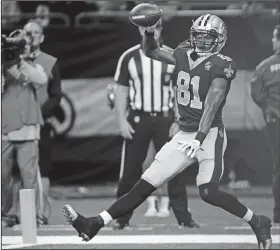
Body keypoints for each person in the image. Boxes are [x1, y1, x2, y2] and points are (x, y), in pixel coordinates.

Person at [63, 13, 272, 249]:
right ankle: (93, 224)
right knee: (145, 184)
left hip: (210, 134)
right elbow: (151, 52)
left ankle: (258, 221)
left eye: (208, 37)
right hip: (184, 134)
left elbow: (211, 107)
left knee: (209, 192)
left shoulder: (223, 65)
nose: (202, 41)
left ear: (220, 39)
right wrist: (150, 32)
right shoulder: (183, 52)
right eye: (199, 36)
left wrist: (200, 138)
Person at [110, 19, 198, 228]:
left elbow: (181, 90)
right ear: (140, 29)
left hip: (166, 119)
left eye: (157, 27)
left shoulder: (171, 55)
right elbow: (120, 90)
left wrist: (180, 119)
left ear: (161, 30)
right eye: (149, 27)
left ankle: (184, 218)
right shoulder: (129, 57)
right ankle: (121, 218)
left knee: (174, 169)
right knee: (130, 171)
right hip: (138, 118)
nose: (153, 31)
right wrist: (121, 120)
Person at [2, 19, 62, 227]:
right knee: (5, 175)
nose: (30, 38)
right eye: (27, 35)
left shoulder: (40, 63)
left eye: (35, 34)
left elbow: (45, 83)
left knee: (34, 174)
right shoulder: (3, 64)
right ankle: (7, 214)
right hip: (6, 126)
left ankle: (34, 217)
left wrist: (20, 62)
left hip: (33, 124)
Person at [251, 24, 280, 224]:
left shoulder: (264, 66)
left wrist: (267, 108)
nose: (272, 40)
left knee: (279, 167)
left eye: (274, 37)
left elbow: (256, 93)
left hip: (275, 120)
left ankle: (279, 212)